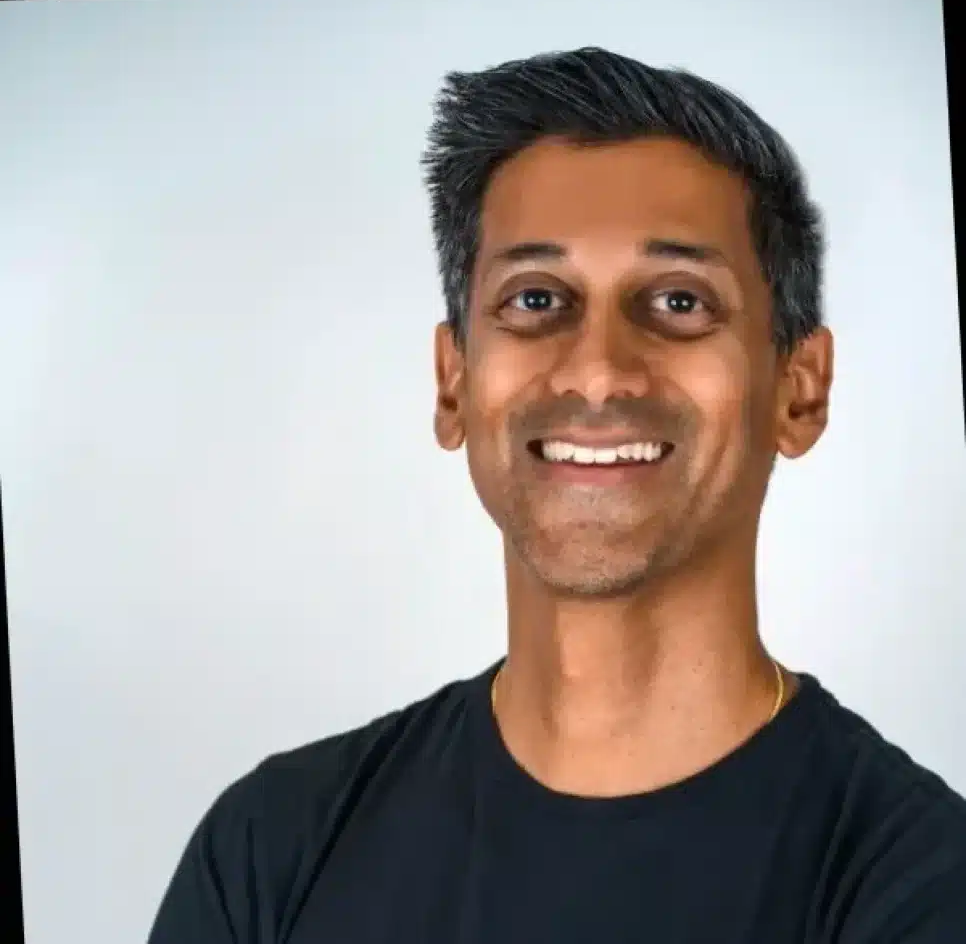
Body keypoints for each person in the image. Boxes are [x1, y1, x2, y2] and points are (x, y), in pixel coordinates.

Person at [148, 47, 966, 943]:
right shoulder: (269, 851)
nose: (598, 372)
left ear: (798, 392)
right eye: (536, 299)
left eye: (680, 302)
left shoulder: (921, 884)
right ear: (454, 383)